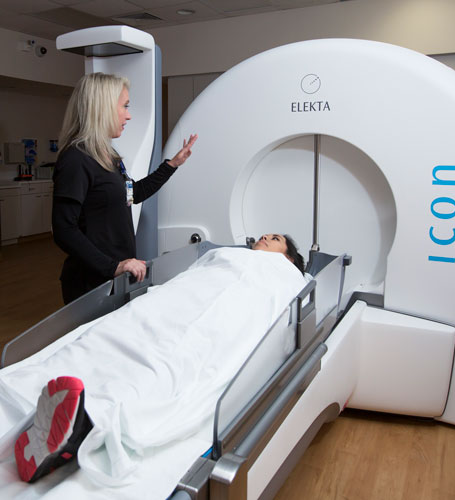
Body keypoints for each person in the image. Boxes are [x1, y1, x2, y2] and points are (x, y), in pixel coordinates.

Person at [11, 235, 306, 485]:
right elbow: (192, 276)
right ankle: (61, 403)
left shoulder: (285, 276)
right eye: (266, 234)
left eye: (276, 238)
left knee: (172, 359)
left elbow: (274, 309)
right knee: (123, 328)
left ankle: (84, 423)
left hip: (223, 316)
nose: (266, 237)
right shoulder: (226, 254)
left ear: (289, 259)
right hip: (176, 302)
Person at [52, 72, 198, 304]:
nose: (128, 116)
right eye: (124, 106)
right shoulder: (75, 160)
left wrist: (172, 165)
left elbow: (132, 195)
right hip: (91, 282)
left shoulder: (109, 158)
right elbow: (64, 229)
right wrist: (114, 266)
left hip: (116, 275)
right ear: (102, 108)